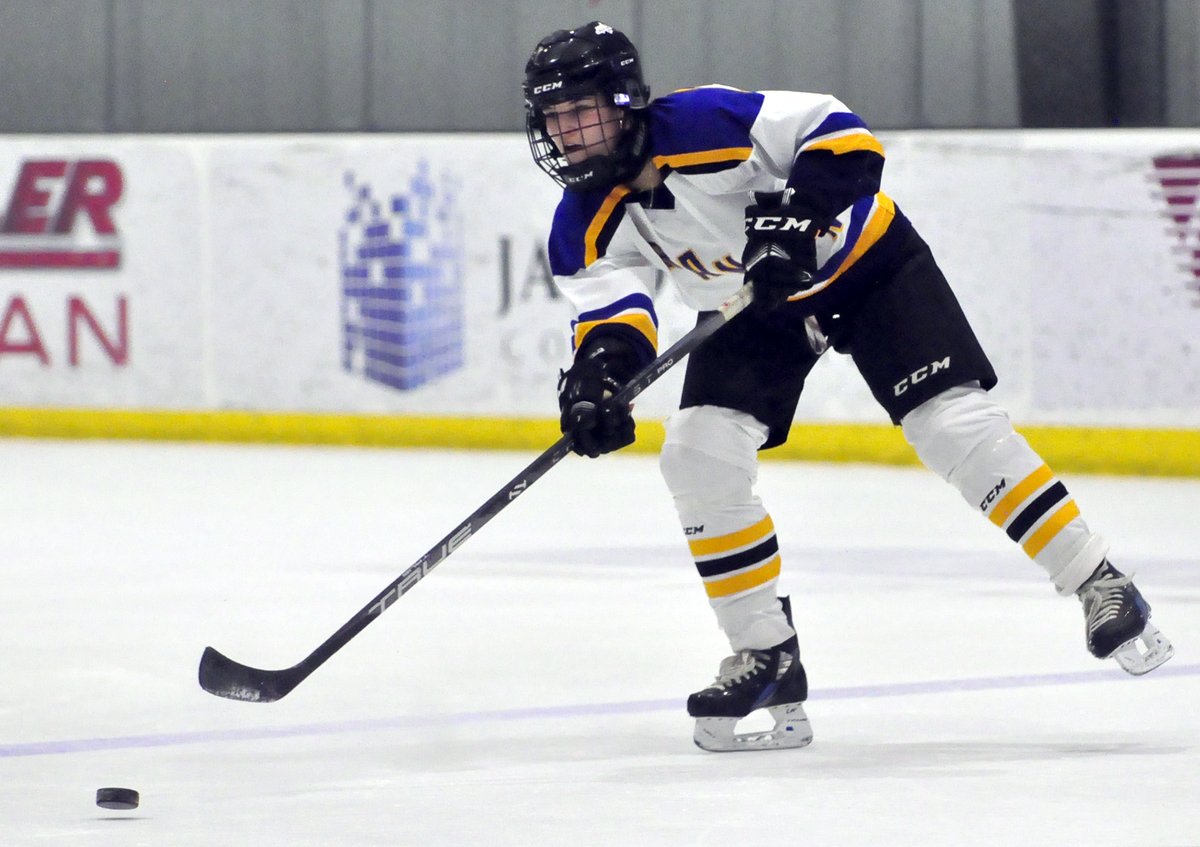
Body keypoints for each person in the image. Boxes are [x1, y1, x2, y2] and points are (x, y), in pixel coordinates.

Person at [521, 21, 1174, 752]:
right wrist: (599, 382)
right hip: (753, 303)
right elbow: (615, 316)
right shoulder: (579, 223)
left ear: (624, 102)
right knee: (697, 452)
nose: (567, 134)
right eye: (553, 118)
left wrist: (797, 217)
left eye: (580, 112)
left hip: (869, 267)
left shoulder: (706, 122)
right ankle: (766, 653)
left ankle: (1098, 580)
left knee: (951, 425)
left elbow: (842, 133)